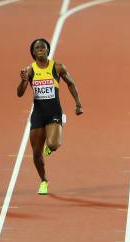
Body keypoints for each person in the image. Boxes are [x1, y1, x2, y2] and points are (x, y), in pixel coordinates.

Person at [17, 38, 83, 194]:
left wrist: (78, 103)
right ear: (33, 52)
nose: (40, 49)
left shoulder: (58, 67)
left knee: (53, 145)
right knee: (36, 154)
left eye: (43, 47)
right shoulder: (30, 70)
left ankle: (50, 145)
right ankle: (44, 181)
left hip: (54, 111)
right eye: (37, 47)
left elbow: (71, 83)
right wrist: (23, 81)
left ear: (48, 50)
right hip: (38, 114)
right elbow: (19, 93)